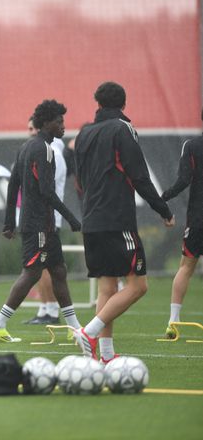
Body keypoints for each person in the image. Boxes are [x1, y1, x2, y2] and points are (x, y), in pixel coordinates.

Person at [73, 82, 174, 360]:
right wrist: (163, 209)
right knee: (138, 286)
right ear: (123, 104)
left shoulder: (83, 134)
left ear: (98, 103)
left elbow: (79, 181)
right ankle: (89, 332)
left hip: (91, 219)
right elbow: (139, 175)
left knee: (108, 288)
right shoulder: (122, 128)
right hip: (116, 220)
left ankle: (105, 355)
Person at [0, 100, 83, 342]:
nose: (63, 126)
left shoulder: (26, 147)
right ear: (47, 123)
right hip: (39, 223)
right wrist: (72, 218)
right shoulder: (46, 150)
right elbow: (47, 192)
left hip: (41, 223)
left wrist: (9, 222)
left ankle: (75, 328)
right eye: (59, 121)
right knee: (32, 273)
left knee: (59, 271)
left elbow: (13, 185)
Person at [22, 116, 70, 325]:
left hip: (48, 219)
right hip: (40, 217)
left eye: (32, 128)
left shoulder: (53, 154)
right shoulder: (40, 150)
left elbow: (46, 189)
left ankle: (51, 310)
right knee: (42, 268)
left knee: (44, 268)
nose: (30, 132)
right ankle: (45, 309)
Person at [161, 110, 203, 337]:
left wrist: (163, 198)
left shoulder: (192, 145)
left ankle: (173, 322)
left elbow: (183, 180)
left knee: (186, 268)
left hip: (198, 219)